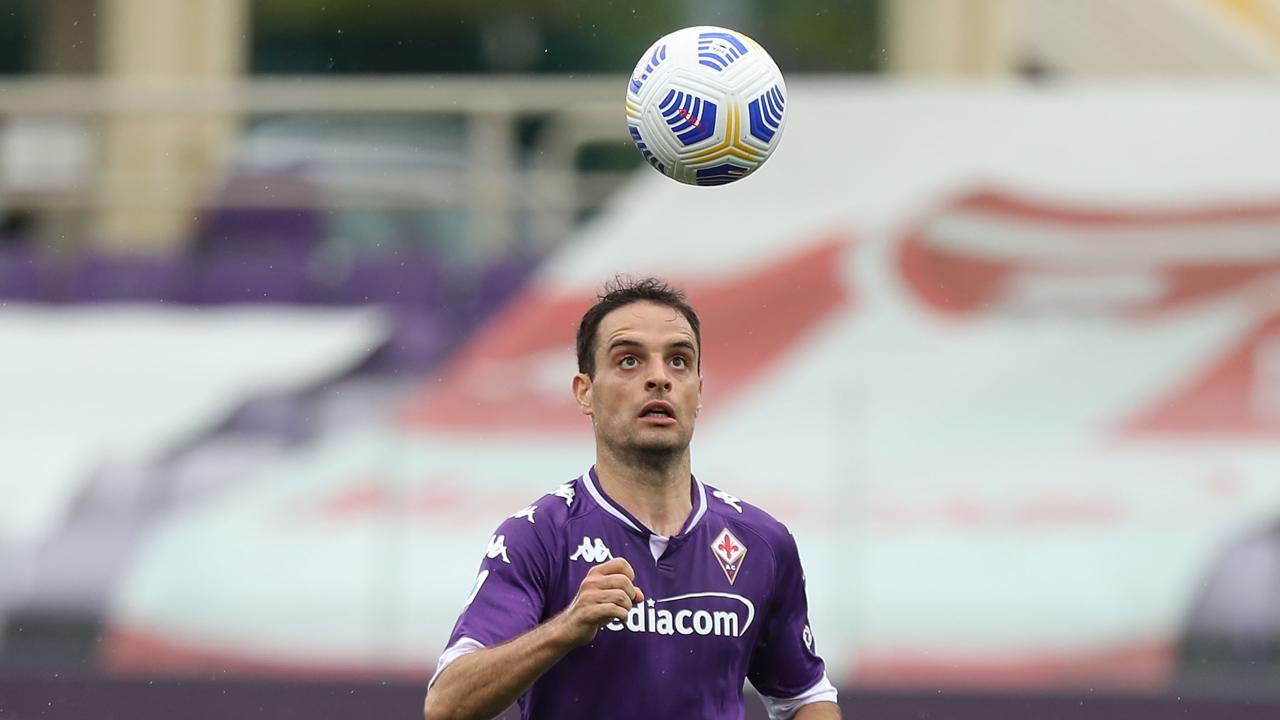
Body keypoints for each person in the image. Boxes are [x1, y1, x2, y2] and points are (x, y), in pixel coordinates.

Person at [423, 277, 841, 720]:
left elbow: (804, 697)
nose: (659, 378)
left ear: (698, 390)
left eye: (679, 361)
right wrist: (567, 626)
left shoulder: (762, 543)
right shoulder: (538, 536)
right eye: (629, 361)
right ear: (585, 391)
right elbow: (447, 704)